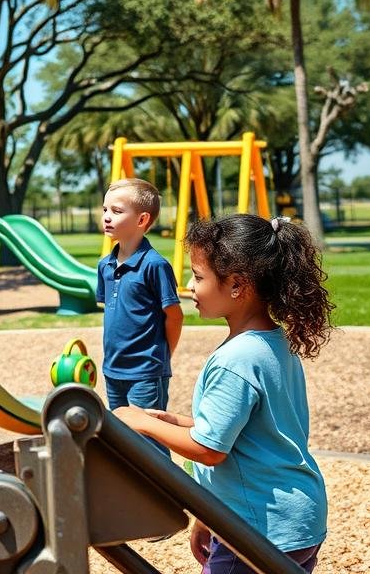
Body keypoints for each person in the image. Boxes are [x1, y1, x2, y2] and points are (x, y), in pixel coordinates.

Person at [115, 215, 333, 573]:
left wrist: (141, 422)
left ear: (237, 285)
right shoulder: (273, 342)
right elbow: (250, 433)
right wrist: (177, 423)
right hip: (295, 520)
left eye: (198, 276)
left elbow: (210, 449)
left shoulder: (236, 358)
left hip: (258, 528)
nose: (189, 286)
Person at [97, 178, 184, 454]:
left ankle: (163, 495)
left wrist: (163, 355)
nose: (107, 217)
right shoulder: (105, 265)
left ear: (142, 219)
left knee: (150, 441)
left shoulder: (155, 265)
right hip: (113, 370)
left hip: (146, 372)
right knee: (123, 440)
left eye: (117, 211)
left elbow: (175, 316)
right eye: (105, 210)